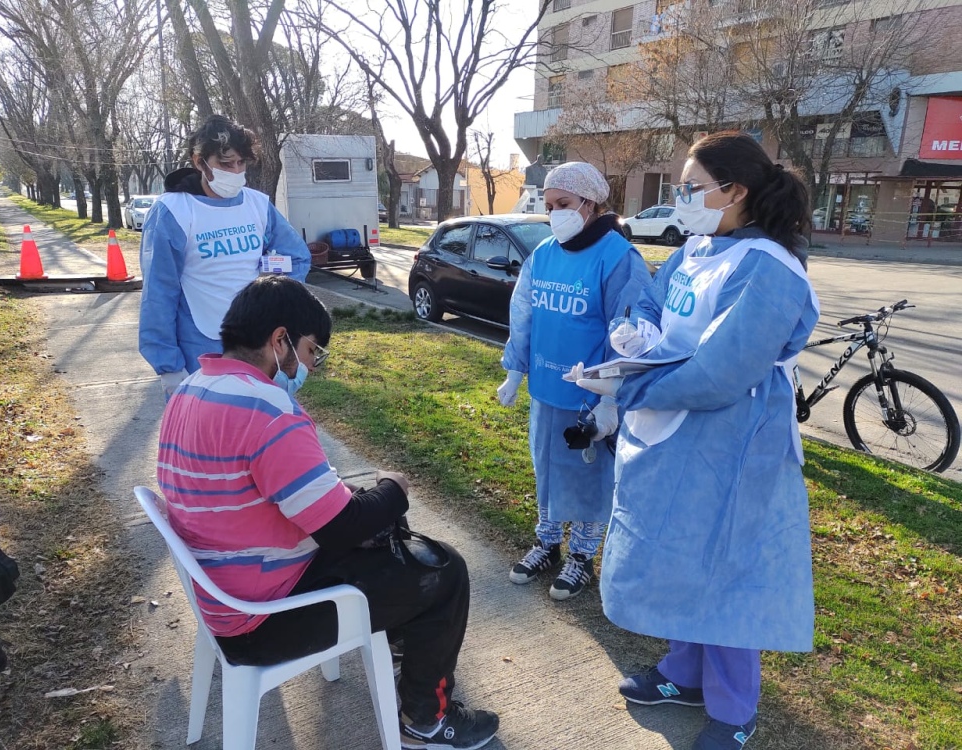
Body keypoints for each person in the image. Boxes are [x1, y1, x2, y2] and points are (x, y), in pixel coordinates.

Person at [156, 276, 498, 750]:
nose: (311, 367)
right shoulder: (269, 410)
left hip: (224, 589)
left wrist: (372, 504)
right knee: (444, 569)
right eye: (312, 351)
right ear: (280, 341)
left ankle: (404, 642)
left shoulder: (193, 388)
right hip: (263, 618)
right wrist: (394, 490)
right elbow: (342, 529)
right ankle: (428, 719)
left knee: (382, 523)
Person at [570, 132, 820, 750]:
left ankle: (736, 709)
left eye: (691, 187)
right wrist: (636, 332)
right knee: (679, 559)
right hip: (676, 434)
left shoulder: (767, 269)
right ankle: (684, 673)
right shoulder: (702, 247)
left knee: (726, 569)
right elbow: (653, 300)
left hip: (733, 445)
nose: (682, 199)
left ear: (734, 191)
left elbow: (722, 373)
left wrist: (631, 391)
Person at [498, 161, 652, 601]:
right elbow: (523, 315)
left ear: (591, 203)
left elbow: (629, 330)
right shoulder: (543, 254)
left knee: (587, 478)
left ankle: (582, 556)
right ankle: (546, 543)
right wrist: (515, 370)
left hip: (589, 399)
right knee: (545, 469)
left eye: (563, 204)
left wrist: (612, 400)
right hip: (545, 393)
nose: (554, 213)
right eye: (548, 206)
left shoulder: (617, 258)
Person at [138, 114, 312, 400]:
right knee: (205, 437)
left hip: (257, 342)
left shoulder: (257, 205)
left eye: (241, 163)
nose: (235, 172)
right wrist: (168, 365)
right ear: (199, 162)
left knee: (255, 431)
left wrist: (275, 300)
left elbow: (297, 258)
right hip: (200, 345)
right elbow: (158, 292)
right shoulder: (174, 212)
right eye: (225, 164)